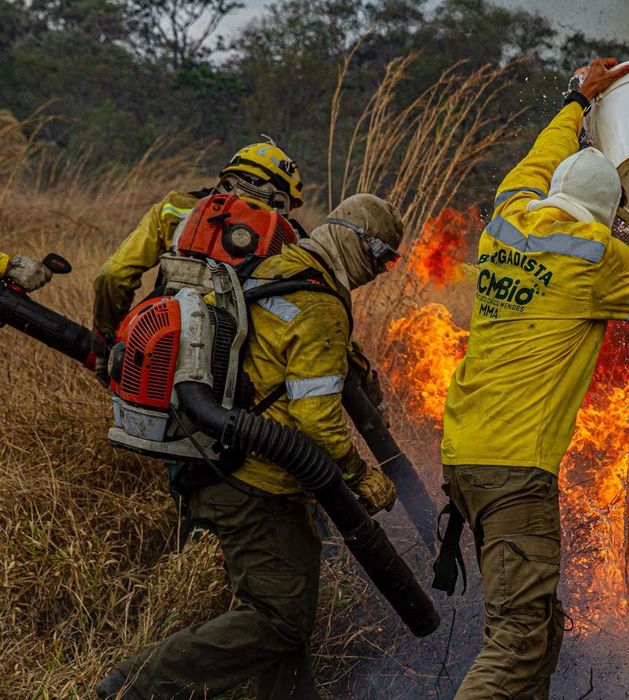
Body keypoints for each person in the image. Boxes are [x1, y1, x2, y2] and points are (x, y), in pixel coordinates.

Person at [439, 57, 629, 698]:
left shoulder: (507, 219)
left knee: (541, 630)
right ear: (611, 212)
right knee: (513, 646)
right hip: (514, 472)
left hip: (465, 460)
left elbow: (540, 157)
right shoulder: (595, 258)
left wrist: (575, 101)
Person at [96, 194, 406, 700]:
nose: (380, 272)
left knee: (287, 619)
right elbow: (317, 422)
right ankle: (131, 689)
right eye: (383, 259)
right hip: (258, 485)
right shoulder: (320, 305)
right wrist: (359, 475)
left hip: (217, 463)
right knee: (280, 621)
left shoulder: (276, 267)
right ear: (358, 246)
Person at [91, 140, 304, 379]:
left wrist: (105, 347)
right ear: (282, 199)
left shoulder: (175, 207)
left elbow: (114, 275)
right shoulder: (294, 241)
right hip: (241, 360)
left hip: (159, 332)